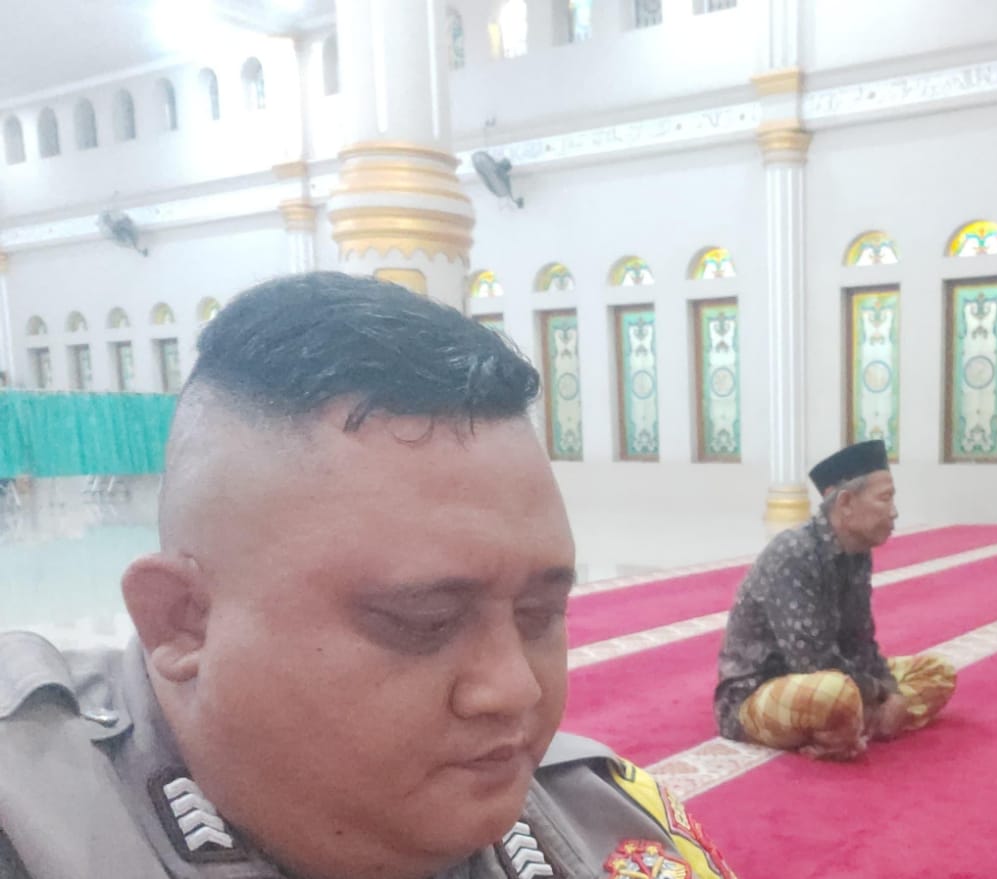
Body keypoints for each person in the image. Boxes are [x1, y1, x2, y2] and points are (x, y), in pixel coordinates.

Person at [0, 273, 736, 879]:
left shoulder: (606, 821)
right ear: (182, 620)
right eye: (424, 622)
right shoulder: (32, 826)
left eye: (539, 614)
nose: (515, 689)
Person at [713, 440, 956, 761]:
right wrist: (879, 692)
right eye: (885, 498)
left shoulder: (857, 552)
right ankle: (855, 721)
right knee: (834, 694)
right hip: (763, 691)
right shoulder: (794, 554)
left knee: (938, 672)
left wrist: (891, 691)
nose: (894, 511)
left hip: (839, 678)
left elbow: (862, 641)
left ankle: (850, 726)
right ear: (846, 503)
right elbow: (810, 662)